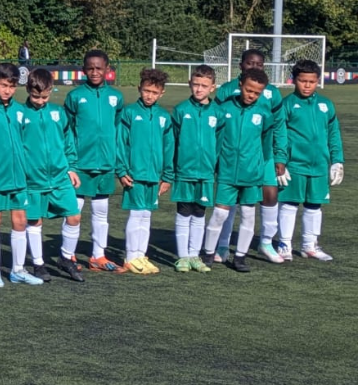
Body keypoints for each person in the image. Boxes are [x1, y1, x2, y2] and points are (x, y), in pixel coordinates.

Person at [201, 68, 278, 273]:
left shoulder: (264, 113)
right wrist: (216, 163)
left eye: (256, 93)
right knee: (219, 214)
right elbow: (215, 140)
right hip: (227, 172)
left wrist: (260, 165)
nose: (251, 95)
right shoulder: (223, 109)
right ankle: (208, 253)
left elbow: (266, 144)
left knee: (248, 215)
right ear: (240, 85)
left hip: (252, 174)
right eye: (248, 90)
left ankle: (240, 257)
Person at [212, 49, 286, 263]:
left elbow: (279, 126)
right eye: (250, 63)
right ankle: (223, 245)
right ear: (241, 65)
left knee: (270, 194)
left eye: (259, 64)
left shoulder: (272, 93)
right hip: (232, 155)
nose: (254, 67)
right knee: (230, 200)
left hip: (262, 153)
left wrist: (280, 156)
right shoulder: (227, 90)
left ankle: (266, 242)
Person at [64, 50, 127, 273]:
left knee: (101, 211)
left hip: (106, 164)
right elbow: (68, 130)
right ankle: (68, 254)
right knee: (75, 210)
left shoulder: (116, 97)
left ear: (107, 70)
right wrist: (71, 162)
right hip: (81, 164)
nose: (94, 72)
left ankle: (98, 256)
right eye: (90, 68)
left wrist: (118, 163)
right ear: (83, 70)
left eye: (99, 68)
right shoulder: (75, 96)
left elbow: (117, 129)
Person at [21, 68, 85, 282]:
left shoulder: (59, 113)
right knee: (35, 221)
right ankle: (38, 264)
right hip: (33, 179)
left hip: (59, 177)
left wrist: (71, 167)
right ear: (28, 90)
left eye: (45, 96)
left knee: (74, 216)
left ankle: (66, 257)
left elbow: (68, 142)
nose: (40, 101)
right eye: (35, 96)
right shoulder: (20, 114)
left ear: (51, 91)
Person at [0, 64, 38, 287]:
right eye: (3, 85)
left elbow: (26, 142)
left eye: (12, 87)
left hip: (19, 178)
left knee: (20, 220)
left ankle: (18, 269)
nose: (8, 90)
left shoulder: (20, 111)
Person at [277, 60, 344, 261]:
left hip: (319, 166)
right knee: (289, 204)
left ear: (318, 81)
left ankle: (309, 245)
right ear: (294, 80)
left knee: (314, 205)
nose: (307, 85)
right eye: (302, 81)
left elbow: (333, 134)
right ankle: (284, 244)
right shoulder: (287, 104)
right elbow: (279, 134)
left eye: (311, 81)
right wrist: (280, 161)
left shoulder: (326, 105)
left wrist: (337, 160)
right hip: (294, 165)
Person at [115, 69, 174, 275]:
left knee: (147, 215)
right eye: (146, 90)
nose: (149, 95)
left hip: (154, 176)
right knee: (136, 213)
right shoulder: (129, 113)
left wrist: (167, 176)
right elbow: (120, 144)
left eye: (154, 92)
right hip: (134, 175)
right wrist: (122, 171)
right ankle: (131, 256)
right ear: (139, 89)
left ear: (161, 94)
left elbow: (169, 148)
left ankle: (141, 254)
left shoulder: (164, 117)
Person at [171, 65, 219, 273]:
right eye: (196, 85)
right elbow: (172, 141)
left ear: (212, 88)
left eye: (204, 86)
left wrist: (215, 166)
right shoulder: (181, 110)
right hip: (184, 171)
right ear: (190, 84)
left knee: (200, 213)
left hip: (206, 173)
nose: (199, 89)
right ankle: (182, 257)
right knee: (183, 212)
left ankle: (194, 255)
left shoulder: (218, 113)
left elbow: (221, 143)